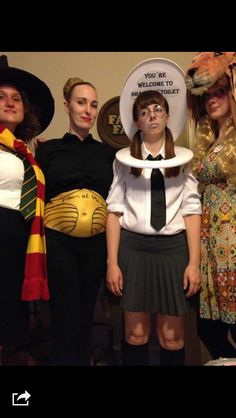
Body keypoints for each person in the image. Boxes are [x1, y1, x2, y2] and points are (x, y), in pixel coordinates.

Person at [106, 90, 202, 366]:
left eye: (158, 109)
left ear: (168, 116)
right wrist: (112, 262)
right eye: (145, 112)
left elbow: (192, 212)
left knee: (171, 336)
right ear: (137, 121)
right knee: (135, 334)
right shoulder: (123, 162)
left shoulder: (183, 162)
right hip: (133, 250)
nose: (152, 115)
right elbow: (113, 212)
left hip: (173, 251)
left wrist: (193, 263)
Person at [35, 77, 116, 365]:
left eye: (93, 105)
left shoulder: (108, 153)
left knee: (85, 316)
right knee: (64, 315)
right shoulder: (47, 149)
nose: (88, 110)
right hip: (59, 242)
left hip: (96, 244)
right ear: (68, 106)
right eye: (81, 103)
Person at [0, 55, 54, 365]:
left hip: (18, 237)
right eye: (1, 97)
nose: (9, 103)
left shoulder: (25, 152)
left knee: (11, 317)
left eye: (16, 98)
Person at [185, 52, 236, 359]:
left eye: (221, 91)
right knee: (208, 326)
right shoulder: (210, 139)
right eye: (208, 95)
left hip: (232, 245)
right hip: (209, 246)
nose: (212, 99)